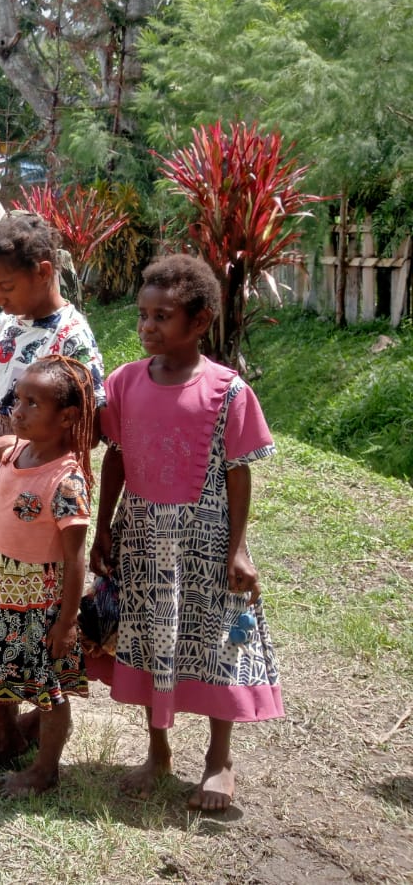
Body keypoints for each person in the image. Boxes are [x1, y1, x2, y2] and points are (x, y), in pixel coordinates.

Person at [91, 253, 282, 811]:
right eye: (143, 316)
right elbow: (117, 460)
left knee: (217, 643)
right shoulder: (124, 383)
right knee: (154, 639)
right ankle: (157, 754)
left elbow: (236, 470)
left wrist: (237, 548)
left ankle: (219, 760)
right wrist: (104, 529)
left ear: (198, 322)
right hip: (144, 536)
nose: (147, 327)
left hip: (206, 539)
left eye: (162, 317)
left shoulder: (227, 390)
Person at [0, 212, 105, 731]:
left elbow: (87, 428)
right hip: (0, 477)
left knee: (37, 591)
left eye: (6, 287)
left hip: (41, 487)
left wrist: (10, 440)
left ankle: (36, 708)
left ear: (45, 271)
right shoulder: (9, 323)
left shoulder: (72, 337)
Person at [0, 356, 96, 794]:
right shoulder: (16, 451)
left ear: (68, 417)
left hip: (42, 600)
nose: (17, 411)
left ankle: (45, 771)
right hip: (1, 585)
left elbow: (75, 558)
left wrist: (67, 622)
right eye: (18, 399)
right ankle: (8, 738)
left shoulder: (65, 480)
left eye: (33, 404)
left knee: (47, 690)